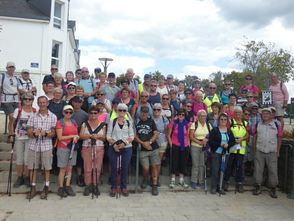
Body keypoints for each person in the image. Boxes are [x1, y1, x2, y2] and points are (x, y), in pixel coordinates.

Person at [26, 96, 57, 199]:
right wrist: (34, 133)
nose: (42, 104)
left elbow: (54, 133)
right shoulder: (33, 116)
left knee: (46, 168)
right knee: (33, 168)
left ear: (47, 103)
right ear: (38, 104)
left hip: (46, 146)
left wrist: (46, 134)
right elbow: (29, 133)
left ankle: (46, 188)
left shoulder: (53, 116)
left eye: (44, 102)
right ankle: (33, 188)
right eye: (40, 103)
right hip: (33, 146)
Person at [252, 108, 282, 198]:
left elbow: (280, 138)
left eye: (267, 114)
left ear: (271, 115)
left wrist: (278, 151)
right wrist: (254, 149)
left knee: (273, 170)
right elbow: (254, 137)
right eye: (263, 113)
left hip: (272, 151)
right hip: (260, 150)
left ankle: (273, 187)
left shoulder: (276, 125)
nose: (265, 115)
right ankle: (258, 186)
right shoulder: (258, 124)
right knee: (258, 169)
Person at [107, 103, 134, 197]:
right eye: (120, 110)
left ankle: (123, 187)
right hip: (113, 147)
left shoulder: (129, 122)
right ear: (117, 111)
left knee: (124, 168)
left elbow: (132, 136)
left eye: (124, 110)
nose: (122, 112)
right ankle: (113, 187)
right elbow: (108, 135)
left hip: (126, 147)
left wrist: (124, 143)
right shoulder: (112, 122)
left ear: (126, 112)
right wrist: (114, 144)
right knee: (114, 167)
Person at [9, 93, 36, 188]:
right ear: (22, 100)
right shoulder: (18, 110)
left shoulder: (34, 111)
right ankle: (20, 177)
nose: (27, 101)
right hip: (19, 138)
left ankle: (27, 177)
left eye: (29, 99)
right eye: (25, 99)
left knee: (27, 159)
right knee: (20, 158)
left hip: (30, 138)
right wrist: (12, 134)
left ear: (32, 100)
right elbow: (12, 123)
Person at [79, 106, 107, 196]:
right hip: (87, 147)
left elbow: (105, 137)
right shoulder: (85, 124)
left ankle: (95, 185)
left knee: (97, 168)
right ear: (89, 114)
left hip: (99, 148)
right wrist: (90, 136)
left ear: (98, 113)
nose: (93, 115)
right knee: (87, 168)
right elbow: (81, 136)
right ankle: (87, 185)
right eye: (91, 113)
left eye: (95, 113)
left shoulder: (102, 124)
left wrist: (98, 136)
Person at [134, 106, 160, 196]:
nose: (145, 114)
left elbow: (156, 134)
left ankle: (155, 184)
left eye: (146, 112)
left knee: (154, 167)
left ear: (148, 113)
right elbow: (134, 136)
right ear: (140, 112)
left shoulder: (151, 121)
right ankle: (145, 179)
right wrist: (143, 143)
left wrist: (148, 143)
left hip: (153, 147)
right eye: (143, 112)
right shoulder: (136, 121)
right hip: (142, 148)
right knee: (146, 168)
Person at [223, 106, 249, 193]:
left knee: (239, 166)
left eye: (239, 112)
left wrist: (242, 139)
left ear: (241, 113)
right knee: (229, 165)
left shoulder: (245, 123)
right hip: (232, 146)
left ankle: (239, 182)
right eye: (236, 112)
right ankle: (226, 181)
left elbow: (247, 135)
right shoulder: (231, 122)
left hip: (241, 148)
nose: (237, 114)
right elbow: (227, 132)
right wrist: (233, 140)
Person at [208, 113, 235, 194]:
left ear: (227, 121)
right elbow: (211, 141)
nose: (223, 121)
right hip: (216, 152)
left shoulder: (229, 131)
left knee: (223, 170)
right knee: (215, 169)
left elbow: (232, 141)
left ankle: (221, 187)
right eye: (221, 119)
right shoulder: (214, 130)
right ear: (218, 120)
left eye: (225, 119)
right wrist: (220, 144)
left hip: (225, 153)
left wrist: (228, 145)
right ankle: (214, 187)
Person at [56, 105, 79, 197]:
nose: (68, 114)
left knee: (70, 168)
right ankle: (61, 187)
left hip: (72, 147)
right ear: (63, 113)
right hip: (63, 147)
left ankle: (68, 185)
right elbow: (60, 137)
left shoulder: (74, 122)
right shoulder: (60, 122)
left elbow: (76, 134)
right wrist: (72, 137)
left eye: (70, 112)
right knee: (63, 168)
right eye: (66, 112)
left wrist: (76, 138)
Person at [167, 108, 192, 189]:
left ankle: (181, 180)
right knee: (174, 162)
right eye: (179, 114)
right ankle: (173, 180)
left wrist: (188, 144)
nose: (181, 116)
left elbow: (188, 135)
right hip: (175, 144)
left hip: (184, 145)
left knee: (183, 162)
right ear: (177, 115)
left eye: (183, 115)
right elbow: (168, 134)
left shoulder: (187, 124)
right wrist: (171, 144)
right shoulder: (173, 123)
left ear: (185, 116)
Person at [189, 110, 212, 189]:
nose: (202, 117)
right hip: (195, 145)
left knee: (202, 164)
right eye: (200, 116)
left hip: (204, 147)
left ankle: (201, 181)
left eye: (204, 116)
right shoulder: (194, 125)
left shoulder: (208, 125)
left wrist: (207, 140)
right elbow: (191, 136)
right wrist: (199, 142)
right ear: (197, 117)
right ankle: (194, 181)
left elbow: (211, 136)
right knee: (195, 164)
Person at [70, 96, 89, 187]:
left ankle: (79, 176)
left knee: (80, 158)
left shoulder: (85, 114)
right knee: (69, 158)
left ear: (81, 103)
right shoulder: (69, 112)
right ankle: (68, 176)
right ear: (73, 103)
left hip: (80, 139)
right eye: (75, 102)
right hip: (69, 138)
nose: (77, 104)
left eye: (79, 102)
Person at [0, 61, 21, 135]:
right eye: (10, 67)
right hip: (6, 99)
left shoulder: (16, 78)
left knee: (14, 118)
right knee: (12, 117)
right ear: (7, 68)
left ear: (14, 68)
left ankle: (12, 133)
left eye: (12, 67)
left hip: (15, 99)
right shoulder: (2, 76)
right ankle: (12, 134)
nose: (11, 69)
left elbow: (18, 90)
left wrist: (19, 101)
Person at [151, 103, 169, 184]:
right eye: (155, 109)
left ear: (161, 110)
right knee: (152, 162)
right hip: (152, 142)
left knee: (158, 161)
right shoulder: (150, 119)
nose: (156, 111)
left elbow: (167, 131)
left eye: (158, 109)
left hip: (162, 141)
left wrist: (168, 142)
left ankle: (156, 178)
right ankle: (152, 178)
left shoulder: (164, 119)